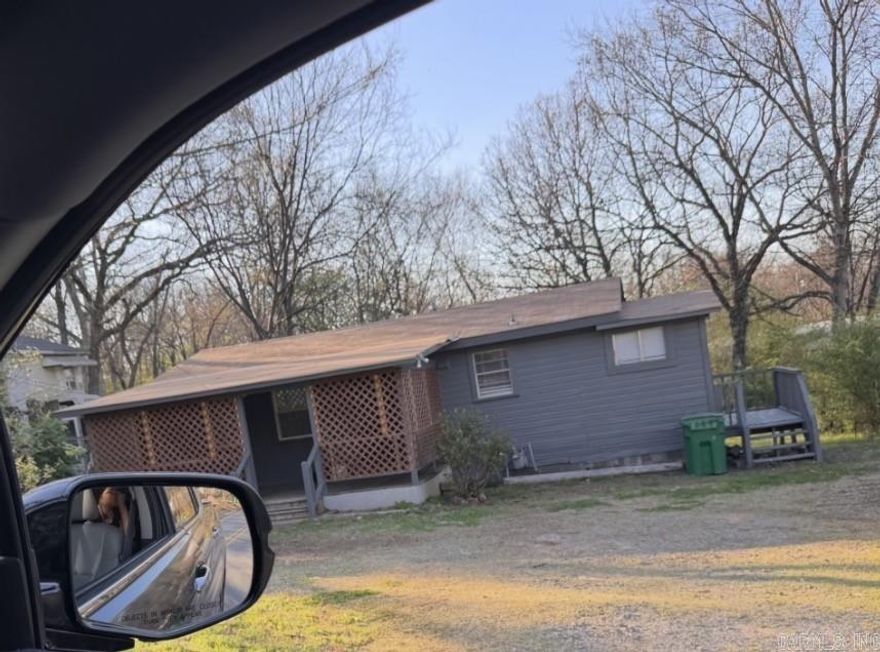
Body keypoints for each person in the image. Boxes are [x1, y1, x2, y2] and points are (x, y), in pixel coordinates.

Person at [97, 487, 134, 561]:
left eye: (116, 492)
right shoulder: (95, 517)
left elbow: (128, 535)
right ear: (100, 497)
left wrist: (121, 505)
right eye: (110, 492)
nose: (115, 494)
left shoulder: (119, 514)